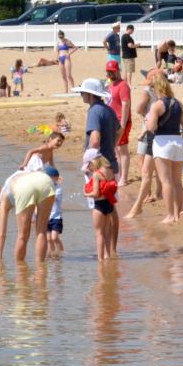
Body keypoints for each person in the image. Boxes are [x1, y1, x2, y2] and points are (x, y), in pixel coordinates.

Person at [74, 76, 120, 246]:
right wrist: (111, 147)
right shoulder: (108, 110)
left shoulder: (94, 111)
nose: (81, 96)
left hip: (99, 167)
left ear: (90, 94)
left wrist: (88, 162)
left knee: (100, 208)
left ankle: (104, 254)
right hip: (111, 164)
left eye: (83, 93)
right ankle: (112, 249)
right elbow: (119, 130)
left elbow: (94, 138)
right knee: (111, 206)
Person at [144, 73, 183, 224]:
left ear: (156, 87)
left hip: (162, 142)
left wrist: (149, 119)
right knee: (177, 182)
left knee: (166, 182)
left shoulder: (156, 105)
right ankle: (177, 213)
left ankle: (170, 215)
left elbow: (151, 128)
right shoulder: (179, 103)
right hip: (178, 141)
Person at [125, 70, 164, 219]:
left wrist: (145, 116)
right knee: (157, 160)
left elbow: (139, 108)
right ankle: (158, 192)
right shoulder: (163, 92)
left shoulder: (147, 91)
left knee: (142, 159)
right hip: (162, 127)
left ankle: (147, 192)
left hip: (149, 124)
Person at [11, 169, 55, 263]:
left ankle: (20, 269)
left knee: (22, 235)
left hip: (24, 186)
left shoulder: (8, 191)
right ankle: (40, 268)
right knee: (42, 231)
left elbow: (2, 231)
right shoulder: (27, 173)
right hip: (45, 181)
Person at [82, 149, 118, 259]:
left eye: (89, 165)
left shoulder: (97, 174)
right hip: (109, 204)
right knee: (107, 231)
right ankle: (107, 256)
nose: (89, 168)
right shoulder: (110, 170)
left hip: (99, 206)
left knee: (99, 234)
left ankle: (100, 259)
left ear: (93, 161)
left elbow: (96, 193)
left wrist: (86, 194)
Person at [105, 60, 132, 187]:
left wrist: (123, 124)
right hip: (112, 120)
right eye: (108, 72)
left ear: (117, 71)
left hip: (122, 120)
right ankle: (119, 175)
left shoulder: (123, 85)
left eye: (112, 71)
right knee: (116, 149)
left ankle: (124, 178)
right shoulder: (110, 85)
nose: (109, 74)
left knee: (122, 149)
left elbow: (126, 104)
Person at [43, 165, 64, 259]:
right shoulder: (44, 188)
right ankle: (52, 254)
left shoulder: (58, 188)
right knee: (48, 238)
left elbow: (52, 197)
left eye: (48, 177)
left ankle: (61, 252)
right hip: (47, 217)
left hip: (56, 217)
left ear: (55, 178)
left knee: (54, 237)